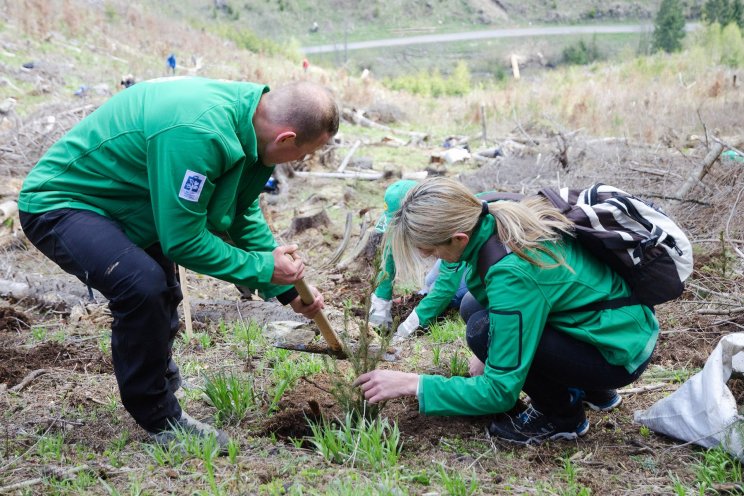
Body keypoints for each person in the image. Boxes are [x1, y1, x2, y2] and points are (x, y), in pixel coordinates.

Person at [18, 77, 339, 450]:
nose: (297, 162)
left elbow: (241, 210)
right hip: (62, 203)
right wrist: (263, 268)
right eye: (301, 155)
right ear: (285, 138)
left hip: (131, 207)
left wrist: (285, 287)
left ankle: (158, 376)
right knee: (143, 287)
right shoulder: (197, 132)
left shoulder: (251, 124)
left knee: (164, 290)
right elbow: (184, 241)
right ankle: (159, 416)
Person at [355, 177, 659, 444]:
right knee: (474, 307)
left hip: (617, 354)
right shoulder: (488, 214)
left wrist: (411, 383)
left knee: (482, 332)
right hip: (615, 326)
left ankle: (563, 414)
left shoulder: (512, 273)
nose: (435, 258)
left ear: (459, 238)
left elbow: (500, 392)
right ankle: (593, 390)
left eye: (434, 251)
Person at [369, 180, 468, 342]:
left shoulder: (447, 225)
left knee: (453, 294)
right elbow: (389, 251)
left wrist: (412, 324)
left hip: (490, 255)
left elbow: (447, 284)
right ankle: (424, 297)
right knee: (429, 282)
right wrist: (380, 303)